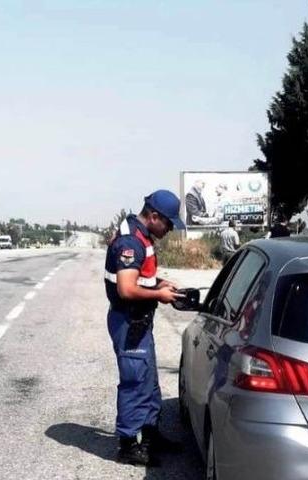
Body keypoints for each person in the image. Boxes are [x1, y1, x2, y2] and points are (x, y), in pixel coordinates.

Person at [104, 190, 185, 466]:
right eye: (169, 223)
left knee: (149, 381)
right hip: (128, 321)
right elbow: (127, 289)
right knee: (135, 381)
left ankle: (149, 435)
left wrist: (159, 283)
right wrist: (159, 296)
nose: (171, 229)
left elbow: (140, 278)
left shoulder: (141, 235)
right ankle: (128, 444)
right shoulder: (130, 241)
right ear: (153, 216)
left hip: (139, 320)